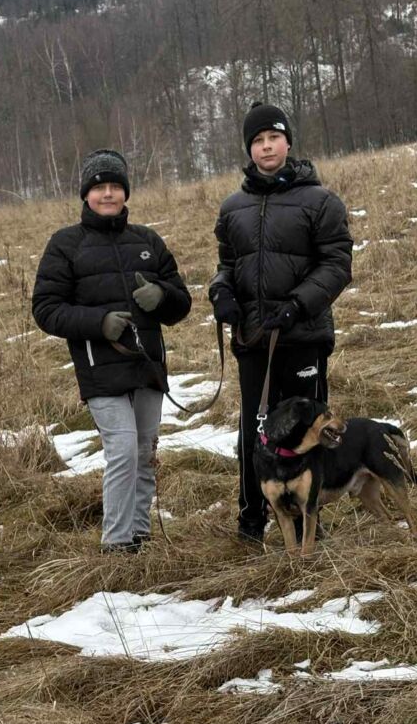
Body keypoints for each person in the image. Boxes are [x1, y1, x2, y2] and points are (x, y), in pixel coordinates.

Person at [32, 149, 192, 553]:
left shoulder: (148, 241)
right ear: (86, 194)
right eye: (99, 187)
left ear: (125, 192)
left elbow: (181, 304)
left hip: (148, 366)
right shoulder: (65, 244)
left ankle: (139, 536)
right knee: (122, 451)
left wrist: (162, 296)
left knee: (144, 452)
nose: (108, 194)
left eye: (115, 186)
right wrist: (98, 322)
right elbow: (46, 309)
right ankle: (116, 545)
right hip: (100, 369)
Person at [209, 102, 353, 546]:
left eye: (273, 137)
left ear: (288, 142)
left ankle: (311, 524)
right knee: (255, 435)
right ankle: (251, 520)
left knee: (309, 432)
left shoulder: (321, 201)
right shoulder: (233, 208)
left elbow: (337, 265)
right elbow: (226, 265)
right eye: (257, 140)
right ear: (249, 149)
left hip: (304, 337)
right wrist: (221, 292)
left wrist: (297, 305)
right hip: (254, 342)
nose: (266, 146)